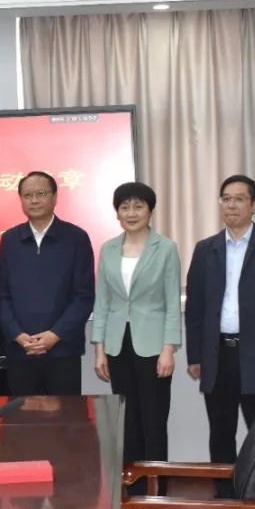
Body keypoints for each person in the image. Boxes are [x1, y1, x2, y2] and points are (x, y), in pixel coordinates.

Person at [184, 175, 255, 494]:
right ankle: (225, 495)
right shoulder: (206, 249)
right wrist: (195, 356)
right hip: (218, 354)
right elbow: (195, 308)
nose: (231, 205)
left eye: (239, 199)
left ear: (253, 205)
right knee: (220, 431)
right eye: (226, 198)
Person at [91, 182, 180, 478]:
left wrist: (168, 350)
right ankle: (131, 484)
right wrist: (100, 350)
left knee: (153, 419)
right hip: (117, 345)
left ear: (150, 211)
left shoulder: (165, 248)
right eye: (124, 207)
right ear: (117, 212)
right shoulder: (108, 248)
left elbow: (171, 303)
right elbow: (103, 302)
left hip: (153, 345)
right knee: (126, 419)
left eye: (138, 206)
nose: (131, 213)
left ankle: (156, 486)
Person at [0, 171, 94, 396]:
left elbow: (84, 295)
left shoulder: (76, 238)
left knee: (65, 416)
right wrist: (17, 334)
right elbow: (1, 294)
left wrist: (55, 334)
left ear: (55, 197)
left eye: (41, 194)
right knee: (21, 415)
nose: (34, 200)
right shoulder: (10, 239)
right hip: (21, 350)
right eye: (27, 195)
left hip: (63, 349)